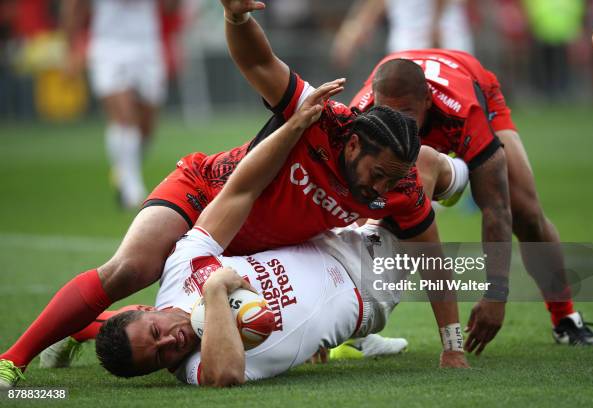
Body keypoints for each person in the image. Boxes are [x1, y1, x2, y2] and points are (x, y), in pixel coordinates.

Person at [0, 2, 469, 387]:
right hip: (210, 191)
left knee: (213, 321)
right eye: (378, 174)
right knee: (132, 268)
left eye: (393, 178)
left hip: (263, 239)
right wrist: (238, 18)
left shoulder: (397, 189)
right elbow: (260, 63)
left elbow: (432, 259)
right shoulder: (322, 118)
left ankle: (85, 328)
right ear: (352, 144)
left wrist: (452, 345)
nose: (380, 187)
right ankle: (12, 360)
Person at [351, 48, 593, 350]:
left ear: (427, 101)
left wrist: (496, 293)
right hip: (406, 83)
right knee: (367, 205)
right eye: (386, 113)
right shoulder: (362, 114)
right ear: (376, 104)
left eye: (406, 114)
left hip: (474, 86)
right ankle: (355, 331)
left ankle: (565, 318)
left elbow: (496, 208)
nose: (395, 124)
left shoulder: (464, 113)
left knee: (525, 212)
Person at [61, 0, 179, 209]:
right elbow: (73, 6)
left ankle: (124, 169)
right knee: (124, 117)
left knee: (147, 126)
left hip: (147, 45)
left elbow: (171, 6)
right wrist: (70, 50)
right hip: (109, 47)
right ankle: (131, 188)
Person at [331, 0, 474, 69]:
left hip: (446, 40)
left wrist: (434, 29)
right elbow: (374, 5)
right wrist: (352, 34)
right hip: (405, 46)